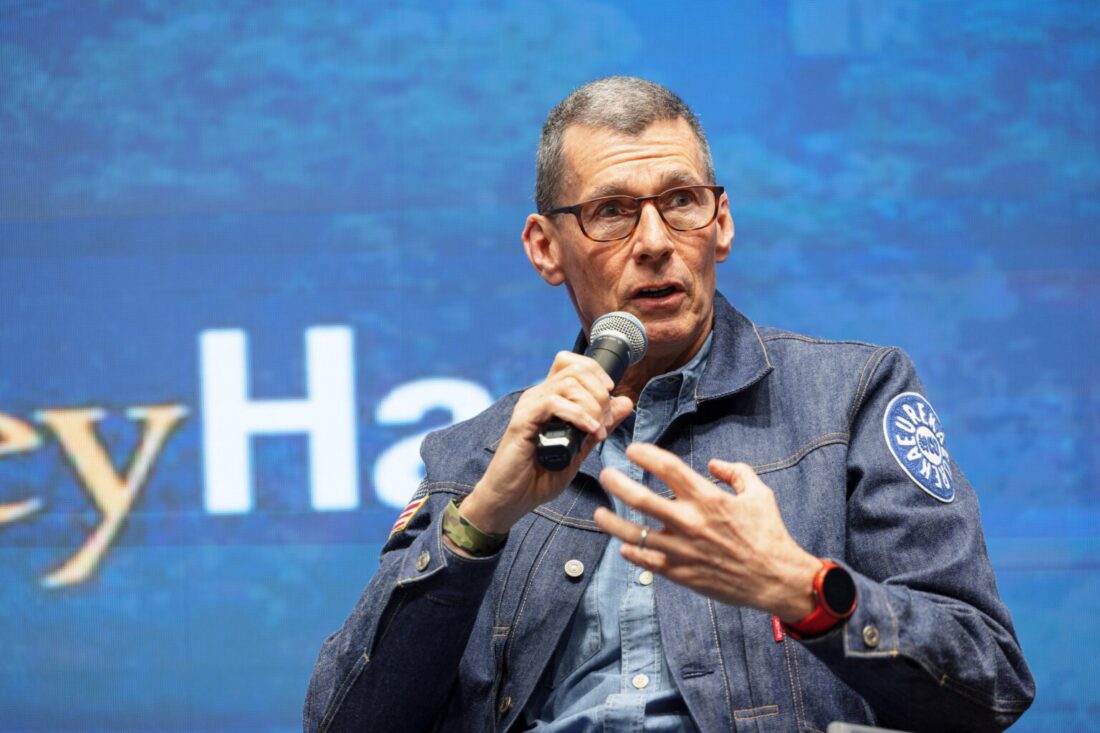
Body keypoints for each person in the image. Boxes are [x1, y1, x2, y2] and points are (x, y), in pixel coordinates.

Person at [304, 76, 1034, 732]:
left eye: (681, 201)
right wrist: (481, 521)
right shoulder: (474, 455)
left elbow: (989, 682)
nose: (655, 242)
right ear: (545, 247)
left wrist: (800, 588)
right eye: (613, 212)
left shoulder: (852, 398)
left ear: (721, 223)